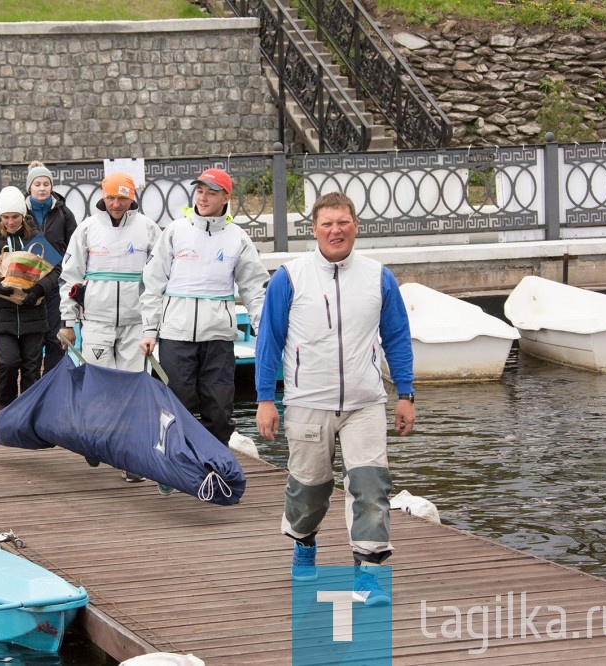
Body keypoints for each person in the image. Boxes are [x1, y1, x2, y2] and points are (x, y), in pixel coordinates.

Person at [254, 191, 414, 606]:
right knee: (309, 489)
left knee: (370, 486)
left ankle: (368, 572)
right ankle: (304, 541)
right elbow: (269, 341)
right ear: (314, 230)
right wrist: (265, 399)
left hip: (365, 401)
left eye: (343, 222)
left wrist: (405, 393)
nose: (335, 230)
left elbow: (396, 337)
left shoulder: (380, 276)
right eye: (327, 224)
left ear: (356, 225)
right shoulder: (290, 277)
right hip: (309, 399)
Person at [140, 168, 269, 456]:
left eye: (211, 192)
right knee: (177, 403)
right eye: (200, 191)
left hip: (219, 338)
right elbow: (152, 283)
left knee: (219, 407)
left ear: (226, 197)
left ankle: (215, 463)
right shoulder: (175, 231)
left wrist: (263, 331)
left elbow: (255, 290)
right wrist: (150, 330)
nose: (203, 197)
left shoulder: (238, 238)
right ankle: (176, 463)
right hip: (175, 335)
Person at [59, 172, 161, 481]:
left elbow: (160, 279)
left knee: (133, 389)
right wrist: (68, 321)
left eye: (122, 197)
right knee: (99, 386)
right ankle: (96, 440)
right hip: (97, 322)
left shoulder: (149, 229)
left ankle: (131, 457)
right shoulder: (88, 229)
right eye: (111, 197)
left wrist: (154, 326)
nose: (116, 204)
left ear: (132, 197)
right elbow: (70, 276)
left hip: (135, 323)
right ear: (103, 198)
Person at [0, 186, 59, 409]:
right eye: (6, 217)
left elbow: (56, 271)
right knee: (7, 362)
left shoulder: (37, 238)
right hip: (3, 315)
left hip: (34, 314)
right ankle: (5, 404)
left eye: (15, 217)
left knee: (31, 366)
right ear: (0, 217)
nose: (11, 222)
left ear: (23, 215)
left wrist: (39, 290)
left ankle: (29, 410)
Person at [24, 161, 77, 373]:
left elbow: (75, 245)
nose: (42, 188)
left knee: (56, 337)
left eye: (46, 183)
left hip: (57, 282)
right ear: (30, 187)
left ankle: (53, 382)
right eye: (37, 184)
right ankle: (33, 385)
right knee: (33, 342)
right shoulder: (20, 213)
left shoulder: (64, 213)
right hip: (28, 283)